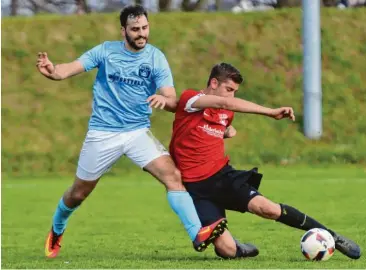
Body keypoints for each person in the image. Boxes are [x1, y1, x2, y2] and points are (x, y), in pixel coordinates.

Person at [36, 5, 226, 258]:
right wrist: (52, 70)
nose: (141, 34)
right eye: (135, 29)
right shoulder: (105, 51)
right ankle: (57, 229)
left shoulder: (156, 57)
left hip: (137, 133)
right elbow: (64, 71)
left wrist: (163, 98)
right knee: (78, 193)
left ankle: (197, 234)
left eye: (145, 28)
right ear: (123, 30)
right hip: (102, 133)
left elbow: (172, 99)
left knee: (173, 176)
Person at [169, 62, 362, 259]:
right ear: (213, 82)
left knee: (267, 209)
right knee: (227, 250)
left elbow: (214, 123)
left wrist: (225, 131)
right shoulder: (191, 98)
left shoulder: (227, 114)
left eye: (235, 91)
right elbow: (221, 104)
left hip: (222, 176)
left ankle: (333, 237)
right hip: (197, 189)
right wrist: (270, 112)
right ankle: (238, 247)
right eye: (228, 89)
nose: (231, 96)